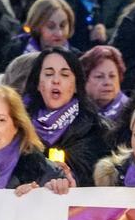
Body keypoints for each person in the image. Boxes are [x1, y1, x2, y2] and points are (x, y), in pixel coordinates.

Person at [22, 47, 110, 187]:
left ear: (76, 85)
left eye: (64, 75)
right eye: (49, 74)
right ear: (38, 84)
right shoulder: (19, 128)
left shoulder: (97, 130)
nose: (56, 80)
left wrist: (72, 180)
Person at [3, 0, 76, 61]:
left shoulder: (77, 59)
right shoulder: (16, 52)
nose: (59, 33)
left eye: (62, 26)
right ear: (36, 26)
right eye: (51, 27)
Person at [80, 45, 128, 124]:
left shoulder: (131, 112)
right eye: (99, 77)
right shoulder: (72, 112)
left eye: (112, 76)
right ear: (84, 80)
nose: (107, 82)